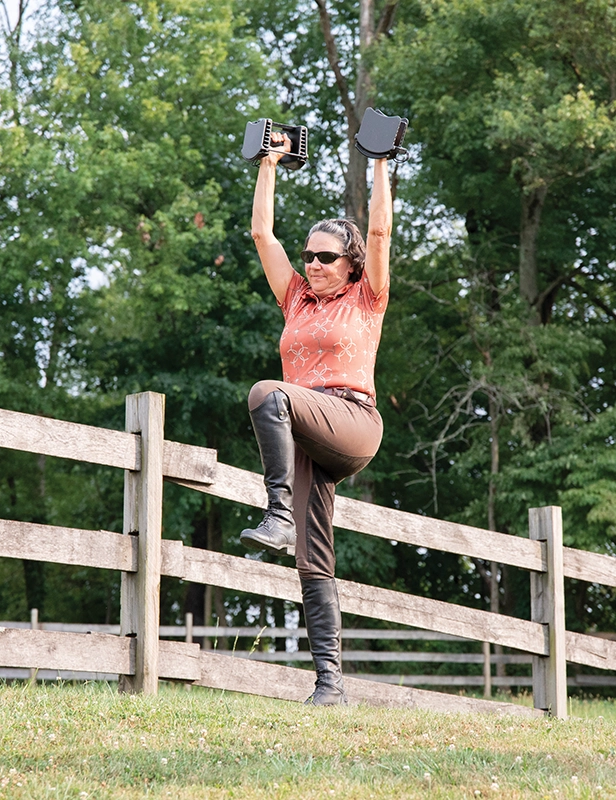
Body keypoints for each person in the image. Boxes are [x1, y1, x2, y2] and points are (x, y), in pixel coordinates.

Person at [241, 130, 392, 706]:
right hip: (309, 432)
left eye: (325, 256)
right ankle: (331, 684)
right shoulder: (296, 299)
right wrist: (269, 163)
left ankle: (277, 512)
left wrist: (378, 162)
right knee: (314, 555)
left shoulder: (368, 297)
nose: (313, 264)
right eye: (307, 255)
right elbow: (261, 233)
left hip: (353, 422)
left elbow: (379, 231)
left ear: (351, 264)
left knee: (266, 394)